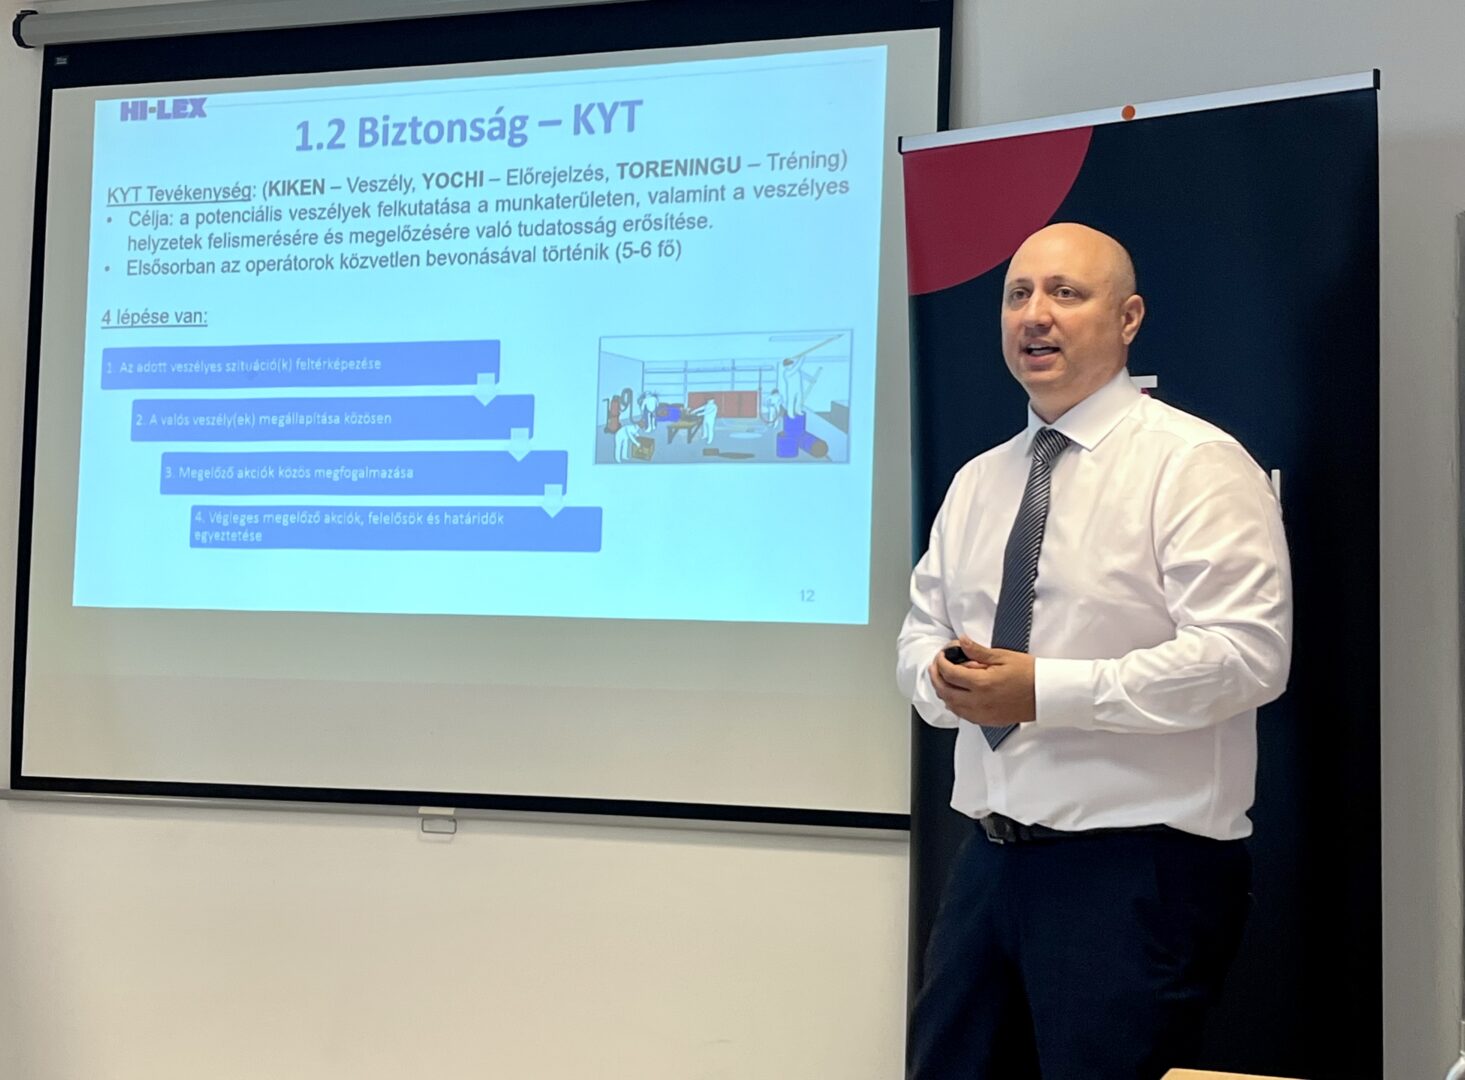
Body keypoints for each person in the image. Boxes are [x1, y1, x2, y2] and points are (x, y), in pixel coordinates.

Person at [896, 222, 1292, 1080]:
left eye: (1065, 294)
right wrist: (940, 678)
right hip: (987, 866)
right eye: (1017, 295)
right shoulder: (979, 478)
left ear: (1128, 318)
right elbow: (919, 632)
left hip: (1135, 873)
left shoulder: (1192, 463)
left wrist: (1044, 692)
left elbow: (1245, 656)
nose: (1034, 315)